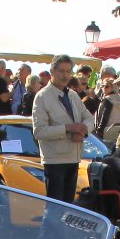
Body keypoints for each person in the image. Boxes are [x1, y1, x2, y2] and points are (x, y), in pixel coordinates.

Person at [31, 54, 90, 202]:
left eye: (68, 71)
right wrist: (68, 128)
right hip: (54, 161)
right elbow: (39, 131)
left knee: (68, 207)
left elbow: (89, 118)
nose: (65, 75)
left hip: (74, 157)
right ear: (52, 71)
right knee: (55, 209)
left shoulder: (73, 96)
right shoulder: (42, 97)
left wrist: (83, 131)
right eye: (62, 71)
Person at [93, 77, 120, 146]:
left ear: (113, 87)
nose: (103, 88)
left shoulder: (107, 100)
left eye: (106, 86)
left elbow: (104, 117)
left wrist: (99, 131)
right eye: (102, 86)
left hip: (107, 132)